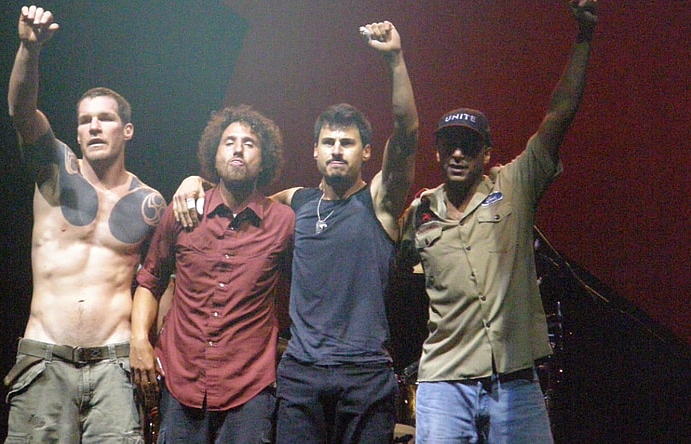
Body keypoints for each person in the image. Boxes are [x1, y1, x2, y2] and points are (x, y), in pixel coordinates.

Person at [172, 21, 419, 443]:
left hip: (364, 373)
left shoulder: (379, 202)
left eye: (347, 142)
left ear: (366, 152)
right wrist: (193, 182)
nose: (337, 150)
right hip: (302, 374)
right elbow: (236, 196)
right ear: (315, 151)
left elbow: (407, 133)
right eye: (328, 142)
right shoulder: (295, 202)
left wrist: (395, 59)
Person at [399, 2, 598, 442]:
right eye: (450, 144)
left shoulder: (514, 186)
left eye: (469, 146)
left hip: (514, 380)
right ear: (437, 152)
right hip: (444, 382)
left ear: (486, 153)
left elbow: (559, 114)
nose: (458, 154)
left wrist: (584, 37)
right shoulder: (420, 211)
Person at [3, 6, 165, 443]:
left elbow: (160, 281)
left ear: (127, 131)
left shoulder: (150, 203)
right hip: (46, 358)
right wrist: (29, 50)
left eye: (105, 118)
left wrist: (148, 344)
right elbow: (21, 111)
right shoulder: (54, 171)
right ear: (75, 134)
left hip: (115, 365)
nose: (94, 127)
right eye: (85, 121)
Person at [130, 105, 294, 443]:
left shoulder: (283, 222)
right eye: (229, 142)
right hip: (181, 380)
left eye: (249, 143)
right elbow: (150, 281)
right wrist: (139, 341)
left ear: (264, 159)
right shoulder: (183, 212)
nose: (238, 149)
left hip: (250, 388)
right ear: (214, 154)